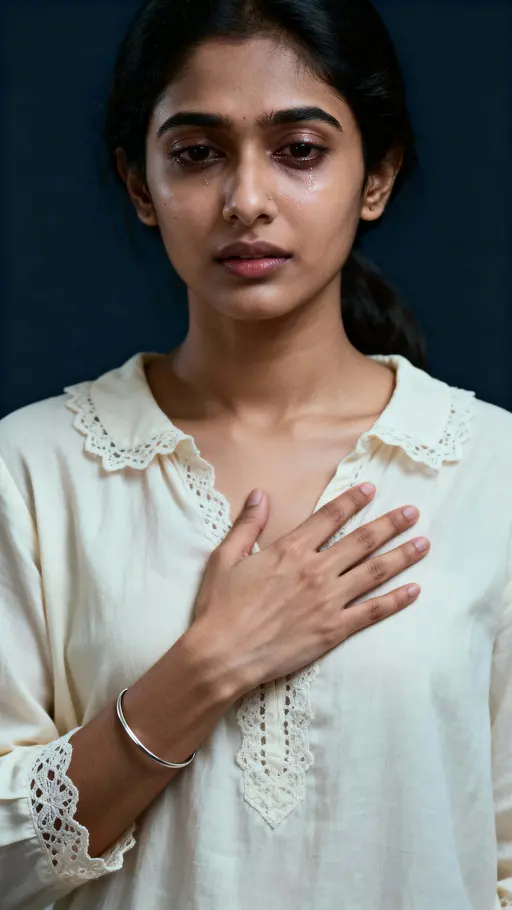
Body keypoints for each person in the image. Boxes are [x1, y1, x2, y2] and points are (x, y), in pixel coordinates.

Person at [0, 0, 510, 907]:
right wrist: (212, 663)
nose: (247, 199)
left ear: (377, 176)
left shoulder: (492, 469)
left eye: (299, 150)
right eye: (197, 154)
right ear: (139, 184)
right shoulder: (32, 471)